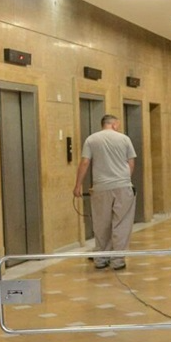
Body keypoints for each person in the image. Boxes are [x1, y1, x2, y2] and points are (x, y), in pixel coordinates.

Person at [73, 114, 136, 271]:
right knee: (122, 223)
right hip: (123, 186)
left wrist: (78, 185)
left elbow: (85, 162)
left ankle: (101, 258)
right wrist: (125, 180)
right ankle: (118, 260)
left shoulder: (91, 140)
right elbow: (131, 162)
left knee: (101, 223)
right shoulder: (124, 139)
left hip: (100, 188)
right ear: (114, 124)